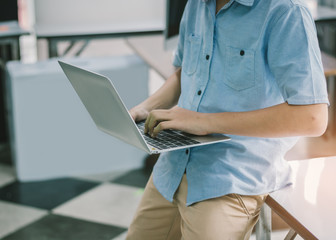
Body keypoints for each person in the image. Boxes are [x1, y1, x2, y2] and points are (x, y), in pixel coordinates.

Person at [126, 0, 329, 239]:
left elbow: (312, 117)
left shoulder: (286, 11)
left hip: (231, 179)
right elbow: (186, 70)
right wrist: (145, 108)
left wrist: (204, 121)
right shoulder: (197, 4)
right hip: (173, 167)